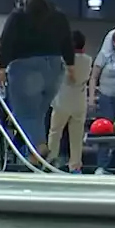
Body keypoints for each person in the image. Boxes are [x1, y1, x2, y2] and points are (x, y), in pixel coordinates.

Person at [0, 0, 74, 164]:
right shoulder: (58, 14)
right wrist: (71, 65)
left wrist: (1, 67)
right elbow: (67, 40)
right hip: (55, 67)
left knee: (23, 113)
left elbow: (7, 41)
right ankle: (34, 157)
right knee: (38, 114)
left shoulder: (18, 15)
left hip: (26, 67)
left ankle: (39, 147)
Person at [47, 31, 92, 173]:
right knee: (77, 136)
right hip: (79, 102)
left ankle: (50, 162)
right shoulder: (88, 59)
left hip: (62, 102)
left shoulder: (62, 59)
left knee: (55, 133)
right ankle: (76, 166)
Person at [87, 29, 115, 174]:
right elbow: (93, 77)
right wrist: (92, 98)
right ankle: (102, 165)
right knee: (105, 130)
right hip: (107, 96)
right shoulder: (104, 55)